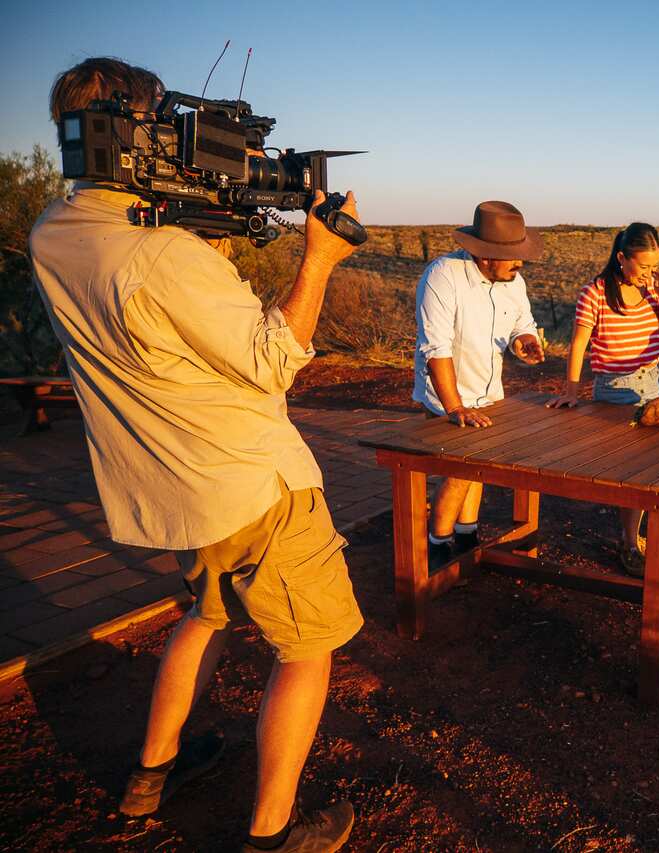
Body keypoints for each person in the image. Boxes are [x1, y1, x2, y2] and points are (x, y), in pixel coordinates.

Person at [30, 58, 366, 851]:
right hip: (251, 481)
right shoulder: (163, 257)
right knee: (308, 648)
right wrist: (318, 257)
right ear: (130, 131)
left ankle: (153, 773)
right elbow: (273, 358)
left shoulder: (54, 232)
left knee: (208, 612)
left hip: (172, 488)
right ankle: (272, 831)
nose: (185, 143)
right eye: (166, 124)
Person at [413, 200, 545, 561]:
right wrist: (455, 407)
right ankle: (437, 545)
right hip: (447, 396)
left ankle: (465, 535)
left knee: (476, 471)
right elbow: (435, 347)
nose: (521, 262)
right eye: (513, 255)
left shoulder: (512, 281)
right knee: (459, 472)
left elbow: (522, 323)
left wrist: (525, 341)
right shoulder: (443, 276)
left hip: (489, 395)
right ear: (486, 256)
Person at [546, 223, 659, 575]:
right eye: (644, 266)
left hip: (653, 382)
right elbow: (578, 344)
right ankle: (630, 543)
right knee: (634, 471)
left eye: (654, 265)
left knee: (654, 467)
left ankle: (634, 536)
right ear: (621, 258)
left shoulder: (650, 289)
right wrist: (571, 391)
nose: (650, 272)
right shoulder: (596, 293)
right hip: (616, 389)